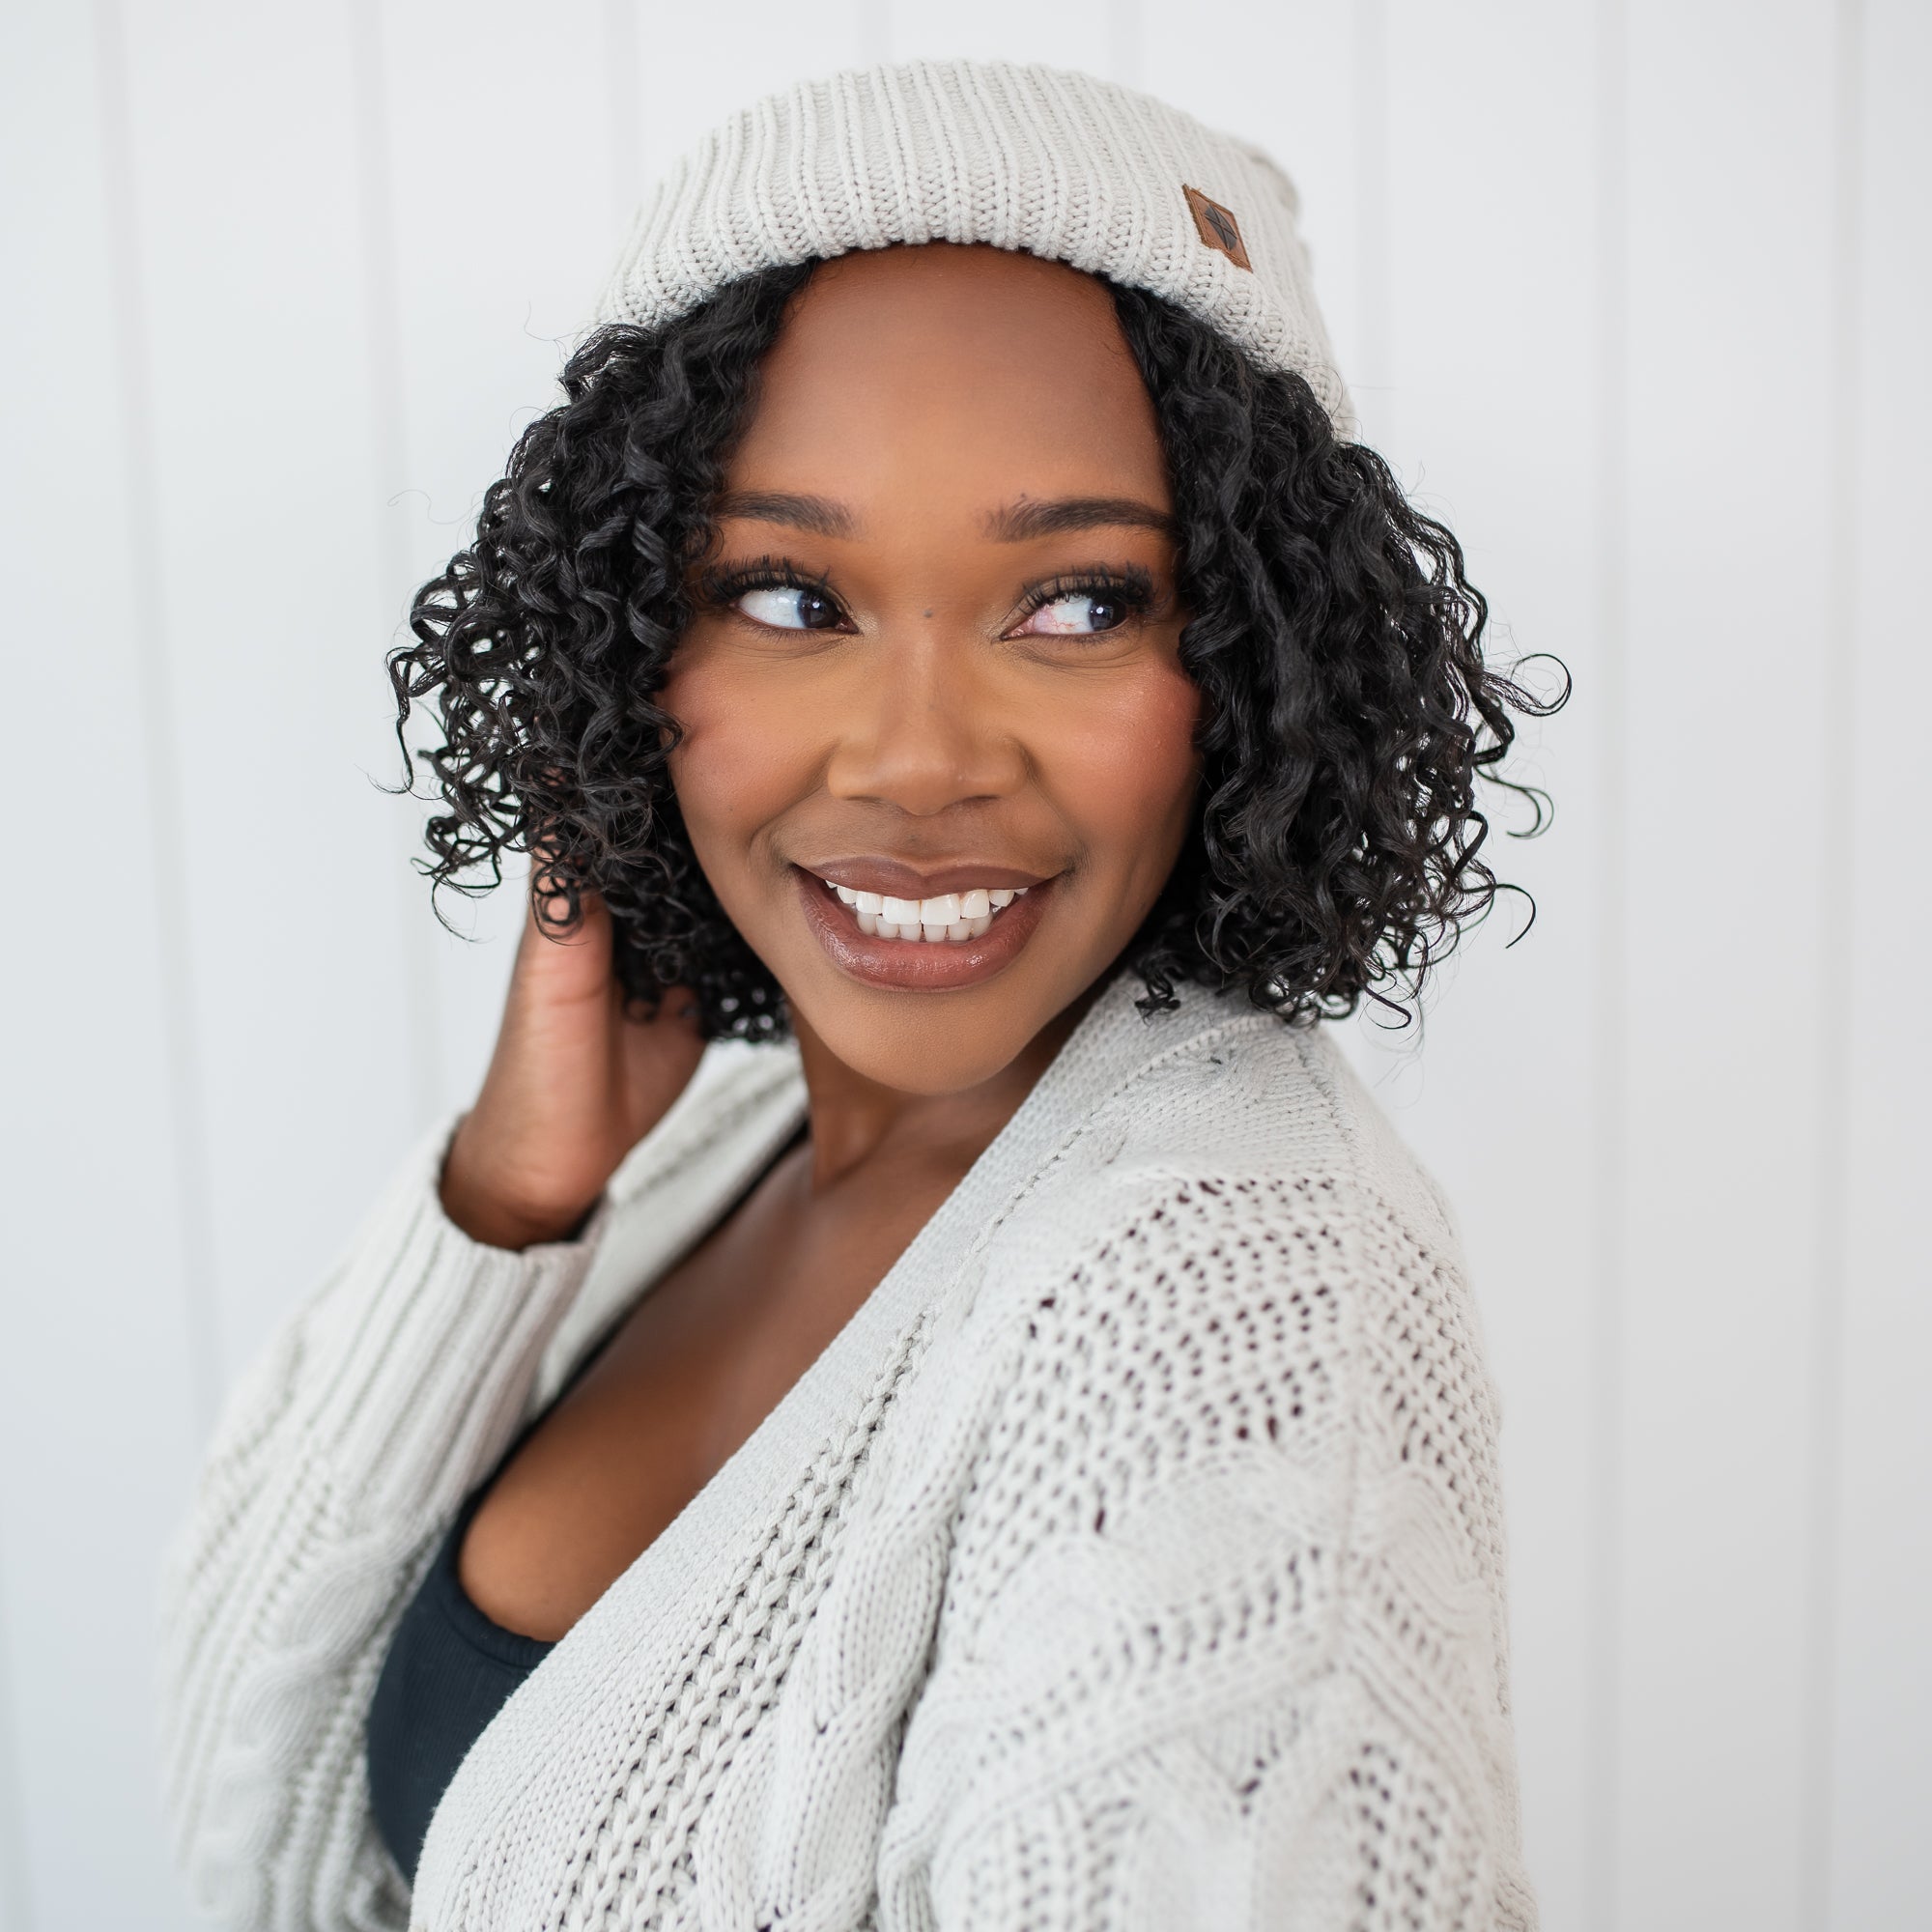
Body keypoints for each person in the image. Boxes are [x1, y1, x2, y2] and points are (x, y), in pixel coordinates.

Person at [158, 58, 1554, 1932]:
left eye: (1073, 602)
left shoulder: (1235, 1286)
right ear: (632, 637)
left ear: (1251, 658)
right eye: (793, 600)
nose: (914, 760)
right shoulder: (710, 1149)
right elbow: (260, 1813)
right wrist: (513, 1192)